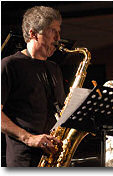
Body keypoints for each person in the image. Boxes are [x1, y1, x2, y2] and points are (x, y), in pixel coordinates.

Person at [1, 6, 65, 167]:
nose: (58, 37)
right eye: (52, 31)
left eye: (59, 31)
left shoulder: (54, 68)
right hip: (24, 159)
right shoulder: (10, 65)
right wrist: (29, 138)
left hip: (52, 157)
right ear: (33, 33)